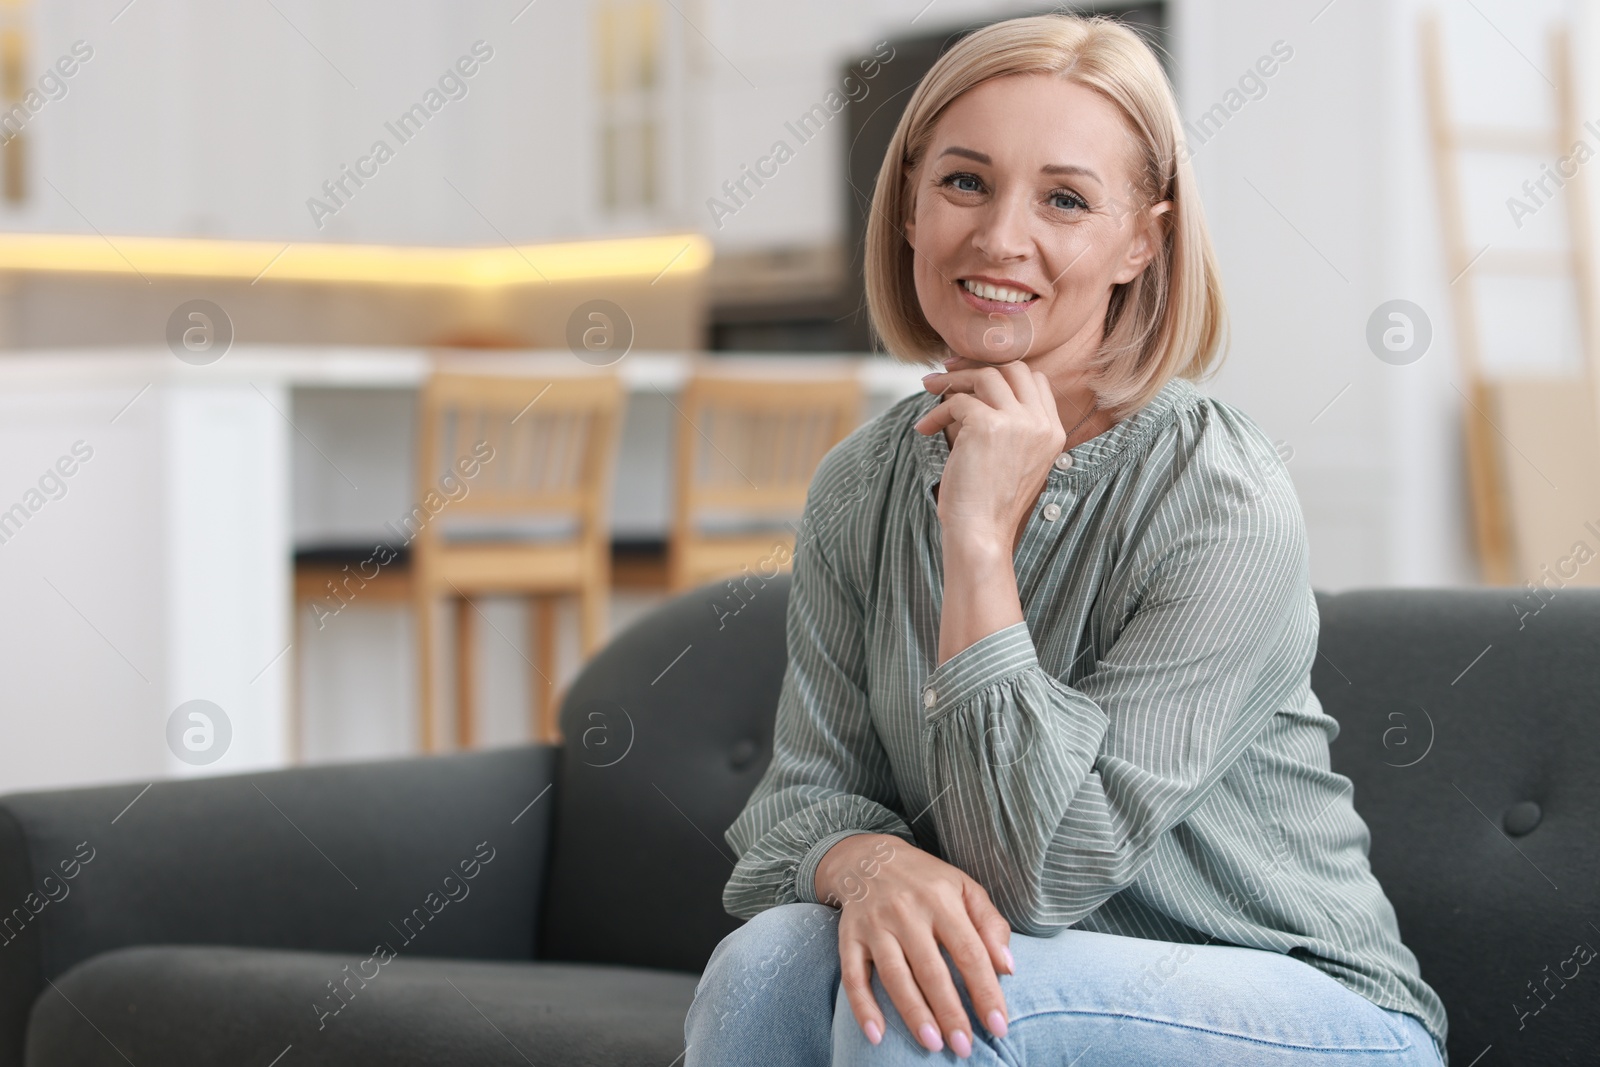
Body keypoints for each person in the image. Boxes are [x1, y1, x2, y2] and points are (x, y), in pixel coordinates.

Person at [683, 12, 1448, 1066]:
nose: (999, 236)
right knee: (768, 958)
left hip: (1307, 1009)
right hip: (1039, 978)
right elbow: (799, 807)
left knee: (942, 994)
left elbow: (1038, 872)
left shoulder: (1217, 491)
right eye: (962, 181)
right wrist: (864, 863)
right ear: (909, 205)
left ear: (1142, 239)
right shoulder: (859, 485)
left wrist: (977, 541)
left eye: (1064, 199)